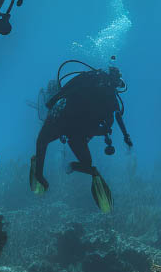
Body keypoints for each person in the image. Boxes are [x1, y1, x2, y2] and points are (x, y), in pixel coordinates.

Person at [29, 60, 132, 213]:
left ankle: (44, 172)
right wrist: (125, 136)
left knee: (42, 142)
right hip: (75, 128)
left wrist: (54, 100)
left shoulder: (91, 80)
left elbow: (69, 87)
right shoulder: (104, 90)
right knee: (86, 163)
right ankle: (68, 168)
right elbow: (116, 117)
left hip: (66, 122)